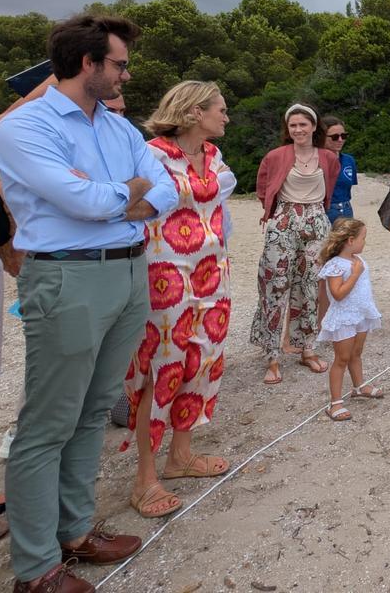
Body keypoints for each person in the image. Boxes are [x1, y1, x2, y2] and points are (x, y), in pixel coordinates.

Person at [0, 15, 179, 592]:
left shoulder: (119, 128)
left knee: (92, 411)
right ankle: (35, 568)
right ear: (87, 64)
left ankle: (74, 532)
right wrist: (121, 195)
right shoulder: (26, 126)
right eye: (120, 63)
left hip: (128, 273)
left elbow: (166, 185)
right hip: (67, 279)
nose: (127, 73)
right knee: (48, 424)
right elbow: (78, 199)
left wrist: (123, 200)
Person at [125, 81, 237, 520]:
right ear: (193, 112)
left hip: (212, 270)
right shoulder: (151, 155)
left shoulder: (213, 157)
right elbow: (130, 206)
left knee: (204, 360)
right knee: (161, 368)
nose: (226, 116)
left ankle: (181, 456)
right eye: (220, 109)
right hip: (164, 272)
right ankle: (145, 477)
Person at [251, 104, 340, 384]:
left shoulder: (327, 157)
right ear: (287, 129)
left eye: (303, 124)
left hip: (316, 219)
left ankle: (308, 349)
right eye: (293, 125)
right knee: (275, 285)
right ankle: (272, 356)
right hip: (284, 221)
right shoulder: (276, 156)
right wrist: (277, 214)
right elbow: (263, 189)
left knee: (312, 286)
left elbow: (331, 186)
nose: (298, 130)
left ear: (314, 127)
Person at [316, 219, 383, 421]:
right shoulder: (335, 265)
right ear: (351, 240)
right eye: (363, 238)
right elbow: (337, 294)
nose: (365, 242)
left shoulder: (358, 260)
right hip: (344, 317)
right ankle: (335, 403)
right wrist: (354, 274)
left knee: (356, 353)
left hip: (361, 314)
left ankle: (359, 385)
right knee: (342, 359)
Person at [323, 116, 357, 221]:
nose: (340, 140)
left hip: (346, 209)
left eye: (343, 135)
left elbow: (348, 187)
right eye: (334, 137)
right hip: (324, 211)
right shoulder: (315, 161)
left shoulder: (349, 160)